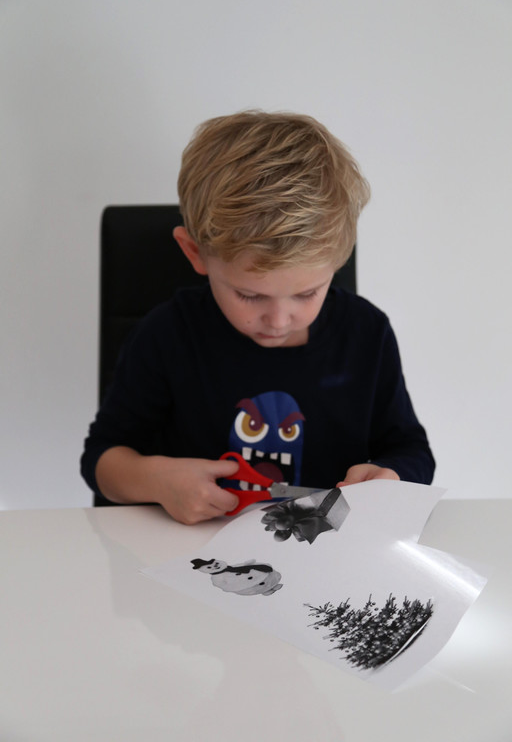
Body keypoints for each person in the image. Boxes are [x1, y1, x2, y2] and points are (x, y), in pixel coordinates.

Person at [80, 110, 435, 524]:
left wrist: (390, 477)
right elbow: (101, 461)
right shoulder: (167, 335)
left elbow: (411, 451)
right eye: (250, 295)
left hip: (325, 550)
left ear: (337, 261)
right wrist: (157, 480)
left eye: (306, 293)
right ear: (194, 253)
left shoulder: (366, 334)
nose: (279, 320)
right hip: (193, 548)